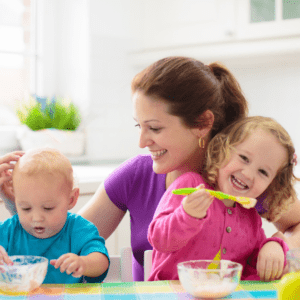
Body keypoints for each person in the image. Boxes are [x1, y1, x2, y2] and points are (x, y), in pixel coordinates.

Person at [2, 57, 300, 281]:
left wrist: (278, 247)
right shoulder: (136, 176)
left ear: (202, 123)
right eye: (139, 126)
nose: (143, 141)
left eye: (154, 128)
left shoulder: (242, 180)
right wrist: (15, 202)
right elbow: (64, 237)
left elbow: (296, 225)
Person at [148, 116, 298, 281]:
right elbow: (158, 239)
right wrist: (186, 215)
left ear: (271, 185)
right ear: (222, 149)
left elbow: (253, 271)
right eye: (244, 158)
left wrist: (273, 247)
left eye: (263, 172)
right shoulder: (190, 185)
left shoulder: (251, 218)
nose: (247, 174)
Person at [0, 148, 109, 284]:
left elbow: (101, 261)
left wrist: (84, 263)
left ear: (71, 199)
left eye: (48, 208)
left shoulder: (79, 229)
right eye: (25, 208)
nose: (36, 218)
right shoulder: (8, 231)